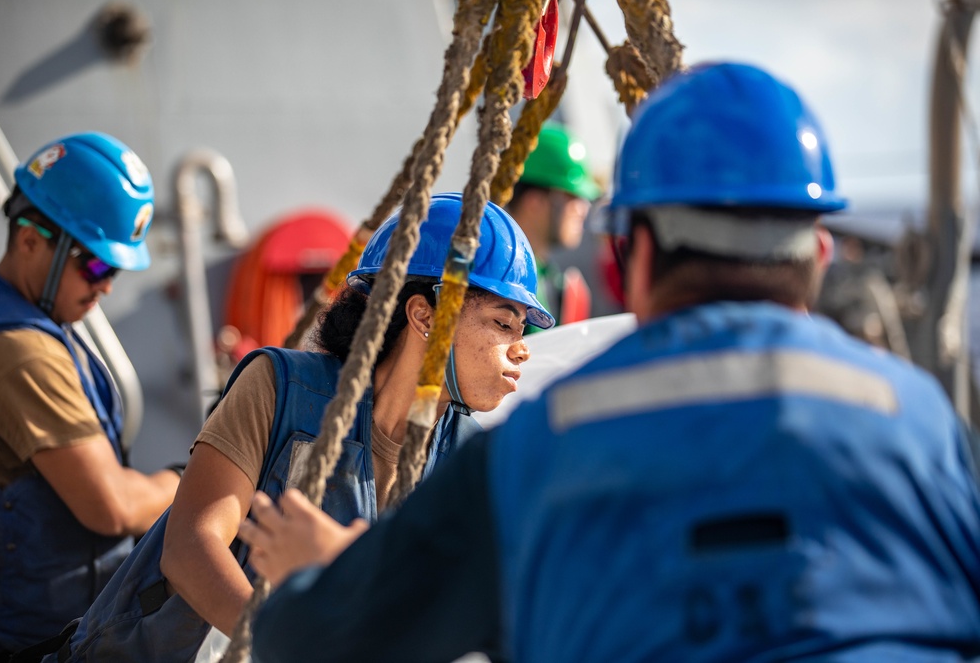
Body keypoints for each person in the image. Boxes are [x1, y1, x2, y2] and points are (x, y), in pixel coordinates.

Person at [243, 62, 980, 662]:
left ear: (638, 255)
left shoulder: (538, 448)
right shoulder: (920, 422)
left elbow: (312, 638)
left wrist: (333, 564)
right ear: (817, 255)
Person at [51, 192, 553, 662]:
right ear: (424, 315)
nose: (522, 347)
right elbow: (189, 550)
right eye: (503, 323)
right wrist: (284, 645)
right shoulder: (278, 386)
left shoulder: (467, 455)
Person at [0, 132, 181, 658]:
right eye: (94, 264)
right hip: (23, 643)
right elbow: (109, 508)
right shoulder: (19, 351)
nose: (106, 285)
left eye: (112, 269)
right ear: (29, 240)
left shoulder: (28, 314)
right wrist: (186, 479)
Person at [505, 122, 601, 330]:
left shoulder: (550, 279)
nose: (583, 208)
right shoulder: (501, 283)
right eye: (572, 196)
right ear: (534, 202)